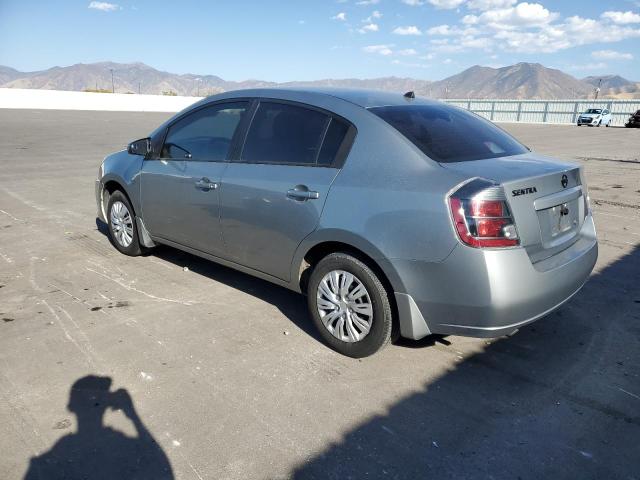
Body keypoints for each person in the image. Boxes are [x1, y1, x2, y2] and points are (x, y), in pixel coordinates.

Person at [25, 375, 173, 480]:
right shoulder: (121, 444)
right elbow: (160, 464)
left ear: (71, 407)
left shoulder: (57, 453)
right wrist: (133, 416)